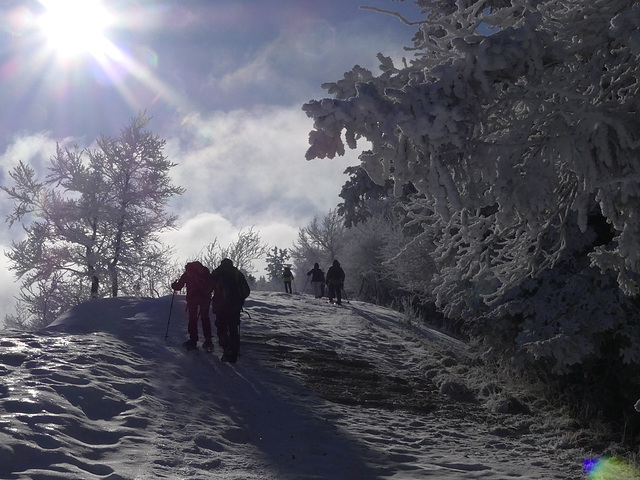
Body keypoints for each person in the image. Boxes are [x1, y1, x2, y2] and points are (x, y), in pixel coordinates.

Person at [210, 258, 251, 363]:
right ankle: (233, 353)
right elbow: (246, 290)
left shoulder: (217, 273)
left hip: (220, 306)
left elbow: (208, 287)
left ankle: (226, 349)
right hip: (234, 306)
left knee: (221, 328)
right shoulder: (237, 274)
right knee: (233, 329)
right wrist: (240, 300)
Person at [171, 261, 213, 351]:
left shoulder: (188, 273)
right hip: (205, 298)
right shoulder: (205, 271)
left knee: (192, 319)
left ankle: (193, 340)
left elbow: (178, 287)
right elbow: (211, 284)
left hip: (193, 298)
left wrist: (173, 285)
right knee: (205, 318)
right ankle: (208, 341)